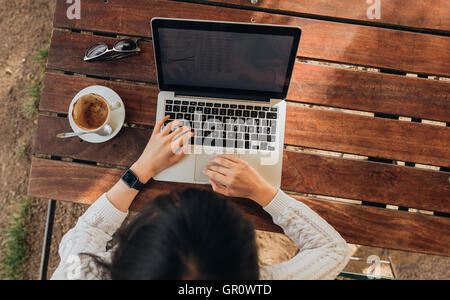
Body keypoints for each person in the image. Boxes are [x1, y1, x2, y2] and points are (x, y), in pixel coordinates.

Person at [51, 116, 350, 280]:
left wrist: (141, 170)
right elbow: (332, 250)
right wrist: (263, 191)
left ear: (126, 252)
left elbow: (88, 231)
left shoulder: (80, 274)